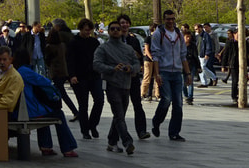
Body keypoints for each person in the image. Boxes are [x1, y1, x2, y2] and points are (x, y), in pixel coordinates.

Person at [13, 47, 79, 157]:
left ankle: (46, 146)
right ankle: (67, 148)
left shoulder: (16, 71)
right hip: (30, 110)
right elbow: (45, 82)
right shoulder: (25, 71)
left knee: (44, 111)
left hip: (21, 110)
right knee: (58, 114)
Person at [93, 20, 139, 155]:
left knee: (119, 115)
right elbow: (96, 64)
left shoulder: (128, 49)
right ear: (108, 31)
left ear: (121, 31)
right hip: (111, 85)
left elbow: (137, 64)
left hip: (126, 85)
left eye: (117, 29)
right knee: (119, 115)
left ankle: (112, 141)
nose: (115, 31)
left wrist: (131, 68)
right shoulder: (103, 48)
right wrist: (111, 69)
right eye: (112, 29)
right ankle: (127, 141)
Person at [150, 10, 189, 141]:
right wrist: (157, 74)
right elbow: (155, 55)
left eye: (172, 19)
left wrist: (187, 73)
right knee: (166, 99)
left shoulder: (179, 34)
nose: (170, 21)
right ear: (164, 19)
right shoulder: (158, 34)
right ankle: (156, 121)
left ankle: (174, 132)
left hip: (177, 72)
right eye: (168, 19)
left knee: (178, 103)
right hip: (164, 72)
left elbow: (183, 54)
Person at [67, 17, 104, 140]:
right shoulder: (73, 42)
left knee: (99, 100)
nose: (88, 32)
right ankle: (85, 130)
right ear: (80, 29)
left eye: (89, 30)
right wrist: (72, 75)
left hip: (94, 75)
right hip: (80, 77)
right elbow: (70, 60)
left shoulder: (94, 42)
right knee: (83, 105)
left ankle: (93, 124)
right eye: (86, 30)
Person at [44, 20, 79, 121]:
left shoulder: (51, 46)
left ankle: (70, 111)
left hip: (57, 71)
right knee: (61, 91)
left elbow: (48, 60)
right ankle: (74, 111)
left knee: (60, 92)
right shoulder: (66, 41)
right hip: (66, 68)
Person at [219, 27, 241, 102]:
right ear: (234, 34)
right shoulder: (230, 42)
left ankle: (239, 93)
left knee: (241, 81)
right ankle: (234, 96)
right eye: (238, 34)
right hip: (233, 64)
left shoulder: (244, 43)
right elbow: (225, 54)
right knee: (235, 81)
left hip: (242, 65)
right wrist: (223, 65)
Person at [182, 30, 200, 104]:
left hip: (191, 65)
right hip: (182, 66)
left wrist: (198, 66)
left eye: (189, 36)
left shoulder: (193, 45)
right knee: (183, 83)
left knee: (190, 81)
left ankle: (190, 97)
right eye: (186, 37)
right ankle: (186, 95)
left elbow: (196, 56)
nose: (188, 38)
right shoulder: (180, 45)